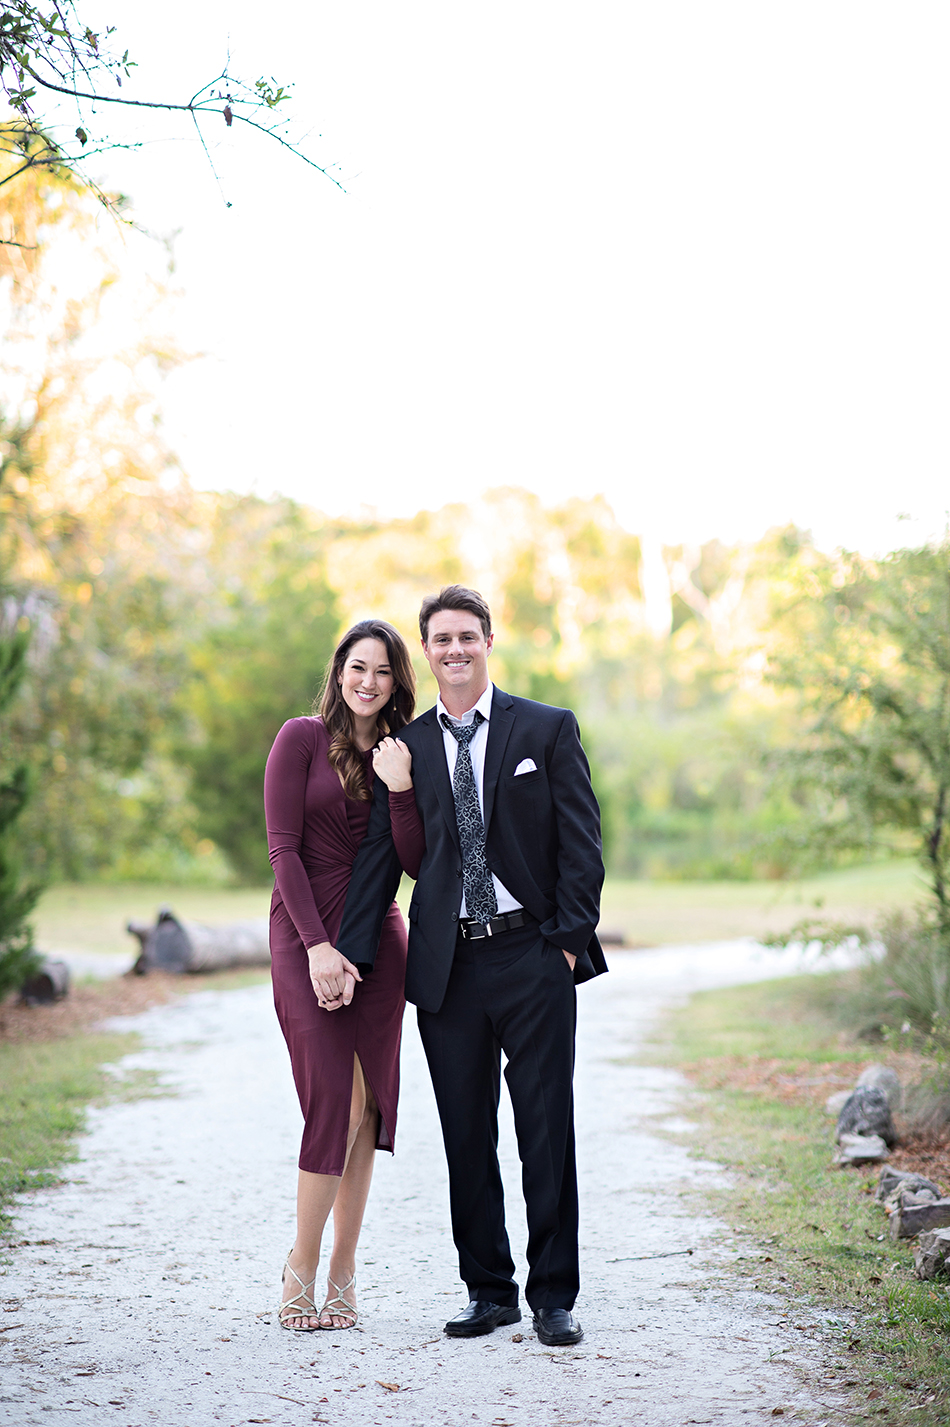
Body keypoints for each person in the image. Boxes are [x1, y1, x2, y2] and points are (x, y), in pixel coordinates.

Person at [336, 585, 606, 1347]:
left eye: (466, 636)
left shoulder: (546, 727)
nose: (454, 649)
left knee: (545, 1128)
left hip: (532, 954)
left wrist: (565, 941)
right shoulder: (407, 749)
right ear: (426, 651)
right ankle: (489, 1291)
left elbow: (582, 842)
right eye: (441, 639)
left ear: (489, 640)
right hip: (448, 964)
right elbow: (382, 857)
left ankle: (554, 1295)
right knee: (465, 1131)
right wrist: (349, 951)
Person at [264, 619, 423, 1332]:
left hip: (380, 938)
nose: (368, 681)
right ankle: (300, 1262)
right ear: (338, 671)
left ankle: (344, 1268)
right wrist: (317, 947)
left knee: (369, 1107)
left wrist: (401, 787)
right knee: (335, 1096)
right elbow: (283, 850)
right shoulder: (300, 738)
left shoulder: (402, 753)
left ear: (396, 683)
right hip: (306, 932)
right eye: (358, 666)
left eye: (383, 670)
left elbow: (413, 858)